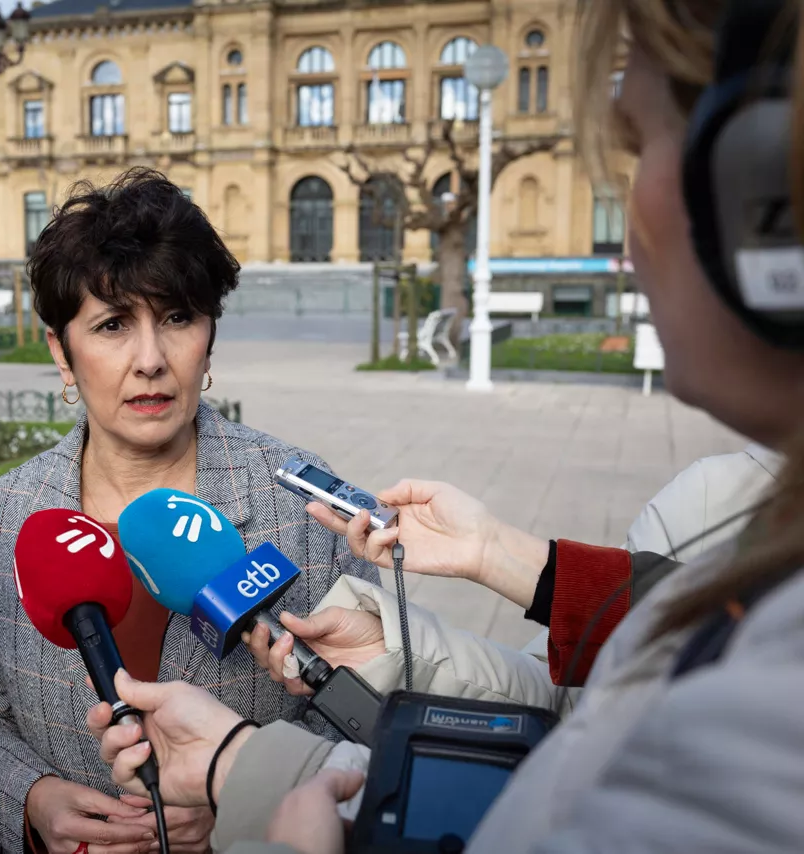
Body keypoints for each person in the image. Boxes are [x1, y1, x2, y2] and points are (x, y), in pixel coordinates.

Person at [93, 0, 804, 849]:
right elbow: (593, 720)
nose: (624, 187)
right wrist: (486, 574)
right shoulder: (746, 535)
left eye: (639, 140)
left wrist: (265, 790)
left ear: (762, 201)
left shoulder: (770, 677)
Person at [0, 169, 381, 854]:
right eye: (112, 325)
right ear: (61, 350)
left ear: (210, 337)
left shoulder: (308, 514)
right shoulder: (6, 520)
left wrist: (248, 790)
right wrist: (33, 799)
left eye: (176, 318)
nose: (150, 360)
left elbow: (372, 719)